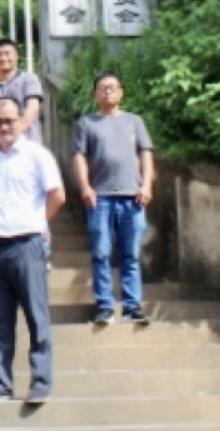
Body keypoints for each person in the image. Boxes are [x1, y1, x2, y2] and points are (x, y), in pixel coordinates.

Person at [0, 98, 65, 406]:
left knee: (36, 317)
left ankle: (40, 380)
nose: (4, 126)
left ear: (21, 122)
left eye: (10, 120)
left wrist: (39, 223)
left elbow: (58, 195)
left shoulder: (37, 155)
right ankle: (2, 382)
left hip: (27, 244)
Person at [72, 72, 156, 326]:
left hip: (132, 198)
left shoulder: (134, 121)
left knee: (131, 254)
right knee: (101, 253)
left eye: (112, 87)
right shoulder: (86, 123)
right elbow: (79, 157)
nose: (107, 91)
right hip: (101, 199)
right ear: (95, 94)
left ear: (121, 92)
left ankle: (132, 307)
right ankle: (105, 306)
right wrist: (85, 187)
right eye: (102, 88)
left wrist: (147, 184)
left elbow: (146, 154)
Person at [0, 38, 44, 143]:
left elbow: (33, 108)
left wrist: (15, 131)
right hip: (1, 148)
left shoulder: (28, 79)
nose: (3, 58)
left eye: (7, 53)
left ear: (17, 56)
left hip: (28, 144)